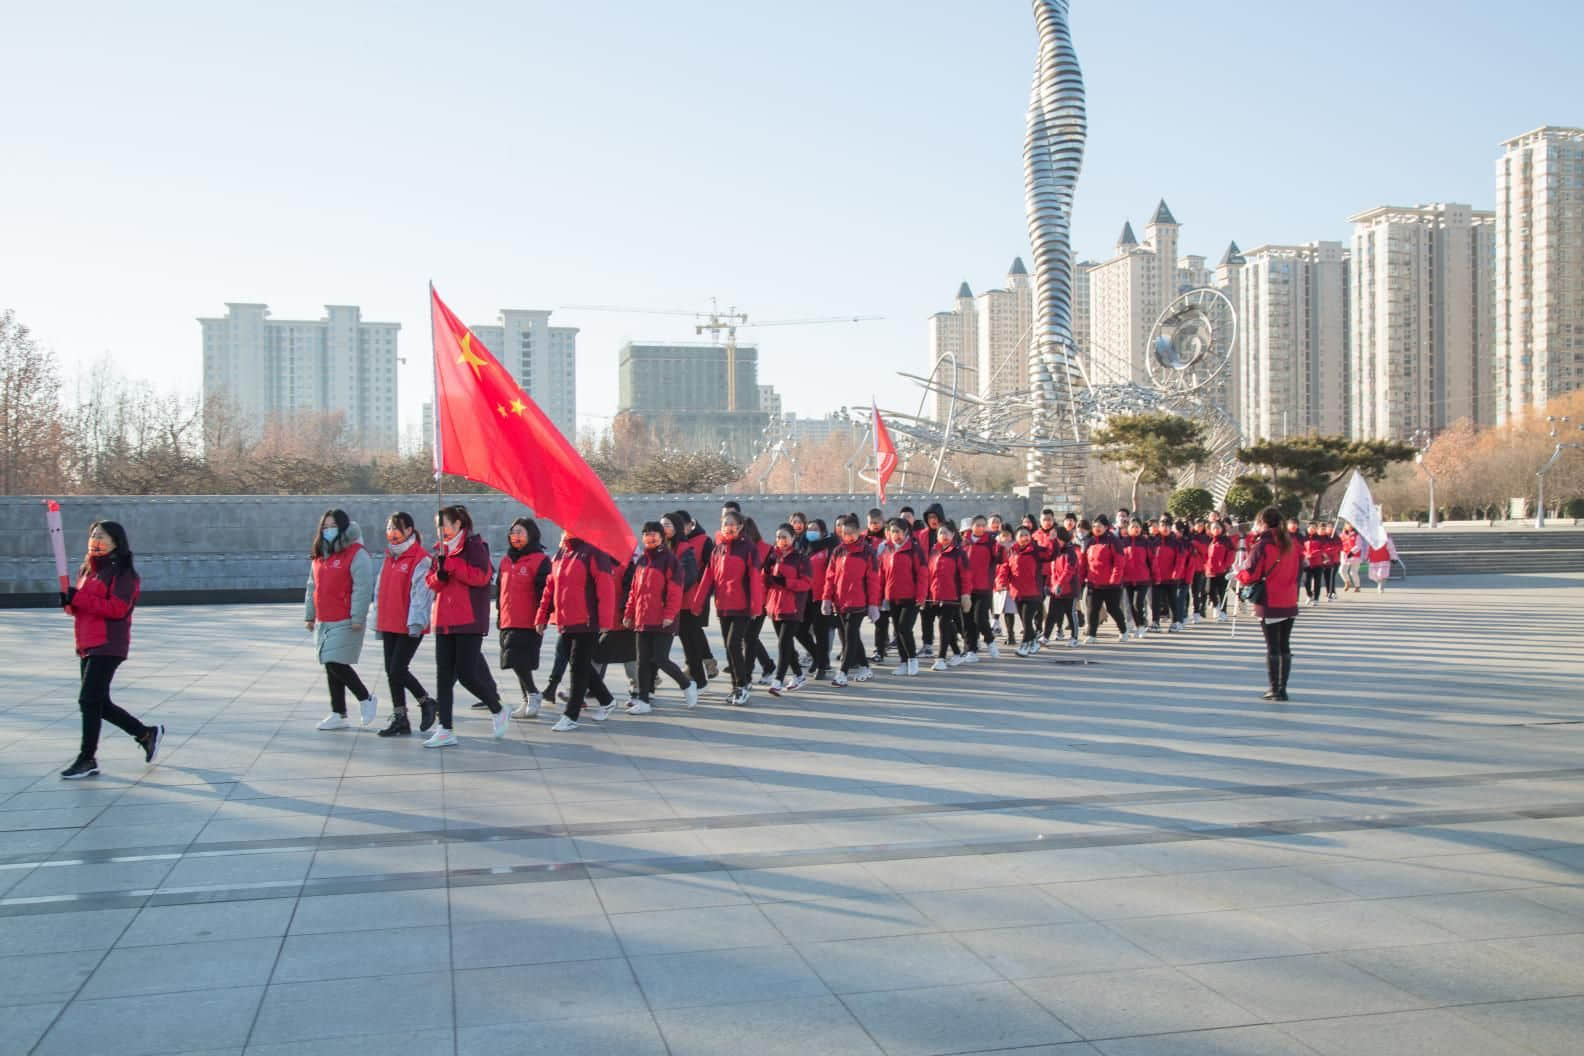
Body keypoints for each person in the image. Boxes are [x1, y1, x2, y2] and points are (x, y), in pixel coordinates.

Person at [59, 520, 162, 779]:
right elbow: (79, 609)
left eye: (102, 535)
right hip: (87, 642)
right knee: (98, 702)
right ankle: (146, 733)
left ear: (116, 541)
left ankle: (87, 758)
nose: (96, 539)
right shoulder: (88, 570)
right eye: (93, 534)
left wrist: (78, 598)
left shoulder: (123, 573)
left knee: (88, 700)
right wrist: (69, 602)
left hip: (108, 642)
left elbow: (118, 609)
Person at [424, 505, 507, 746]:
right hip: (444, 620)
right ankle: (445, 729)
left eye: (445, 525)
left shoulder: (475, 546)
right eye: (437, 526)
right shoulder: (440, 550)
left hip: (468, 619)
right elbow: (432, 583)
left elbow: (482, 577)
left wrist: (452, 566)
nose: (441, 531)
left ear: (459, 524)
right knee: (443, 676)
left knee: (467, 674)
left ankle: (497, 707)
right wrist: (438, 576)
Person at [535, 531, 618, 730]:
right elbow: (550, 587)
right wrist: (542, 616)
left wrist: (606, 621)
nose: (565, 529)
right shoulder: (562, 552)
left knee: (578, 668)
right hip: (565, 620)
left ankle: (571, 715)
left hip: (586, 621)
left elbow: (606, 588)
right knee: (578, 663)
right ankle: (606, 700)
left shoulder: (593, 553)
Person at [305, 509, 378, 731]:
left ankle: (366, 698)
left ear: (343, 527)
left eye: (332, 526)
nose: (328, 530)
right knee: (330, 663)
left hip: (346, 617)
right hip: (325, 617)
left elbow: (362, 587)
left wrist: (358, 616)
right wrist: (310, 615)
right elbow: (312, 586)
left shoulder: (356, 552)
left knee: (335, 661)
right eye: (324, 527)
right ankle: (338, 712)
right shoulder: (321, 554)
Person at [370, 512, 435, 737]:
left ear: (410, 530)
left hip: (409, 624)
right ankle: (400, 718)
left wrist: (416, 621)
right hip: (389, 622)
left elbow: (421, 593)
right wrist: (377, 618)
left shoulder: (420, 558)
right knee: (391, 671)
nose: (392, 532)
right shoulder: (390, 556)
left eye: (397, 528)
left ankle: (426, 701)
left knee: (398, 669)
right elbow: (380, 590)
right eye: (389, 528)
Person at [623, 521, 694, 713]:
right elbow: (633, 592)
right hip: (642, 618)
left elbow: (675, 591)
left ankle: (686, 684)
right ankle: (643, 701)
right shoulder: (642, 561)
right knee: (642, 661)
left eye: (654, 534)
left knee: (660, 659)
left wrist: (669, 614)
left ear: (662, 537)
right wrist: (629, 613)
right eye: (646, 534)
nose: (650, 537)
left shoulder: (670, 561)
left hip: (663, 618)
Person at [698, 510, 765, 705]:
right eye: (724, 523)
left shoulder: (748, 549)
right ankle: (736, 685)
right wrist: (698, 601)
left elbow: (754, 579)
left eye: (731, 523)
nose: (728, 526)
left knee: (733, 644)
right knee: (729, 649)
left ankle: (742, 685)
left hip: (742, 606)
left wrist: (755, 606)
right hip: (723, 605)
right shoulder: (718, 549)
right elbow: (708, 577)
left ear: (740, 526)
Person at [1237, 506, 1302, 701]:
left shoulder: (1263, 545)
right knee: (1284, 645)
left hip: (1270, 600)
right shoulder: (1290, 543)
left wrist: (1238, 574)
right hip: (1289, 598)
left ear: (1263, 522)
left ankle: (1275, 688)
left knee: (1272, 647)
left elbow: (1250, 574)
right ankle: (1282, 688)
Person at [492, 517, 551, 723]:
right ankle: (527, 697)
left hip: (528, 620)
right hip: (509, 618)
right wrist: (500, 614)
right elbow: (500, 589)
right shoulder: (506, 560)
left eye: (520, 532)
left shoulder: (540, 560)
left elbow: (545, 592)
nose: (515, 537)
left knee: (519, 660)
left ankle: (533, 693)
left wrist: (542, 617)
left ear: (531, 535)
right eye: (513, 532)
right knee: (516, 661)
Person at [822, 514, 881, 686]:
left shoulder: (867, 552)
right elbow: (830, 577)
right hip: (840, 602)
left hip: (859, 603)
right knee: (851, 636)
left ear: (857, 532)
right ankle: (864, 666)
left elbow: (873, 581)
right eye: (843, 533)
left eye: (850, 533)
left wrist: (873, 604)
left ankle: (843, 673)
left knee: (850, 635)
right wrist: (827, 598)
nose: (847, 536)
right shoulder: (838, 551)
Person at [763, 524, 814, 695]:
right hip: (775, 606)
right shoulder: (773, 556)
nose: (781, 541)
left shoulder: (800, 558)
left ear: (793, 538)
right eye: (778, 537)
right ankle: (799, 675)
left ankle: (778, 680)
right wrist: (766, 571)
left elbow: (807, 583)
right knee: (787, 645)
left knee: (783, 643)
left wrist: (787, 583)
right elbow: (764, 581)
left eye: (785, 537)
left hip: (793, 606)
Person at [879, 517, 926, 675]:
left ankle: (912, 659)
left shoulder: (914, 549)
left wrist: (921, 596)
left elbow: (922, 574)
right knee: (897, 630)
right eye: (893, 532)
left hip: (911, 597)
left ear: (906, 531)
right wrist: (880, 596)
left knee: (905, 628)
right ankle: (903, 662)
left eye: (898, 531)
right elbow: (882, 575)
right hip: (892, 597)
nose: (896, 535)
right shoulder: (887, 550)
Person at [925, 521, 971, 670]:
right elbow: (929, 575)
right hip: (934, 595)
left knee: (943, 624)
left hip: (952, 595)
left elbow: (965, 576)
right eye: (940, 533)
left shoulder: (958, 553)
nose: (943, 536)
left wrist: (965, 595)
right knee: (947, 625)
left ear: (953, 534)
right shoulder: (933, 552)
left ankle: (941, 658)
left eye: (946, 532)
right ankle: (957, 653)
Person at [797, 518, 837, 679]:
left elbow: (831, 573)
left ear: (823, 532)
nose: (811, 532)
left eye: (815, 529)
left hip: (822, 596)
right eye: (809, 529)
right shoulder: (805, 548)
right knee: (799, 630)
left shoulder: (829, 548)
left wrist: (830, 597)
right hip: (805, 596)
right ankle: (818, 656)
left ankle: (822, 666)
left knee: (821, 633)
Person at [996, 525, 1043, 655]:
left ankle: (1024, 646)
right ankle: (1033, 642)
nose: (1024, 537)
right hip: (1017, 592)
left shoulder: (1036, 551)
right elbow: (1005, 568)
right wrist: (1001, 583)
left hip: (1033, 592)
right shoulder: (1011, 551)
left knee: (1027, 620)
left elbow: (1051, 553)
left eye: (1027, 534)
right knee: (1024, 621)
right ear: (1016, 538)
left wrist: (1051, 539)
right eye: (1021, 535)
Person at [740, 518, 777, 684]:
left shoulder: (767, 550)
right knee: (748, 636)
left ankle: (747, 674)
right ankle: (767, 665)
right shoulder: (738, 549)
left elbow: (773, 577)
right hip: (741, 599)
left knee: (749, 636)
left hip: (760, 599)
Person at [1082, 515, 1128, 644]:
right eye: (1094, 526)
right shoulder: (1090, 541)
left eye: (1099, 526)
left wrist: (1114, 579)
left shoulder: (1113, 541)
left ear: (1106, 527)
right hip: (1093, 582)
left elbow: (1119, 562)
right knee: (1092, 609)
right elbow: (1084, 563)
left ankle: (1123, 630)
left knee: (1113, 609)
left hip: (1110, 584)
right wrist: (1081, 578)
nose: (1096, 528)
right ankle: (1092, 634)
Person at [962, 515, 999, 659]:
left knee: (980, 619)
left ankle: (990, 641)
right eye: (978, 525)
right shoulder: (964, 542)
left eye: (983, 525)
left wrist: (1001, 546)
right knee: (968, 620)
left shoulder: (990, 542)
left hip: (984, 588)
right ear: (972, 526)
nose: (981, 528)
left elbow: (1000, 558)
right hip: (966, 588)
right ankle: (971, 650)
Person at [1047, 526, 1084, 647]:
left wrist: (1060, 584)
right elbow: (1053, 571)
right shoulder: (1055, 552)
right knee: (1052, 614)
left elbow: (1069, 571)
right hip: (1056, 590)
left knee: (1071, 613)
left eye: (1055, 539)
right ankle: (1046, 636)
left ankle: (1074, 637)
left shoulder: (1071, 552)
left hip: (1069, 589)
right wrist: (1052, 585)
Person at [1120, 519, 1152, 638]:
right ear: (1128, 529)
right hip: (1127, 579)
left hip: (1142, 578)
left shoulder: (1145, 542)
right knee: (1131, 604)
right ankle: (1137, 625)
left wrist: (1153, 575)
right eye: (1133, 526)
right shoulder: (1123, 542)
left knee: (1138, 603)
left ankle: (1141, 626)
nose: (1136, 529)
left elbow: (1151, 560)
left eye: (1137, 526)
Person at [1205, 519, 1235, 620]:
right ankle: (1216, 606)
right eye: (1214, 528)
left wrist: (1226, 565)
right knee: (1209, 590)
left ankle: (1223, 611)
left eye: (1218, 527)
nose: (1216, 529)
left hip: (1222, 571)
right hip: (1210, 570)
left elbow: (1231, 553)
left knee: (1222, 592)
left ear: (1222, 529)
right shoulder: (1209, 540)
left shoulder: (1226, 541)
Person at [1302, 522, 1327, 607]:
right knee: (1305, 581)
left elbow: (1323, 549)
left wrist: (1313, 554)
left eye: (1314, 527)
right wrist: (1306, 554)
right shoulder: (1303, 538)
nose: (1312, 529)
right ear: (1307, 528)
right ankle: (1309, 595)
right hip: (1307, 563)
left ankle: (1316, 598)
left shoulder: (1320, 539)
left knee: (1317, 582)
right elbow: (1301, 549)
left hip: (1317, 563)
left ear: (1316, 529)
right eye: (1310, 527)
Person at [1339, 522, 1363, 592]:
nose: (1349, 526)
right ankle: (1347, 582)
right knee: (1342, 571)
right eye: (1347, 524)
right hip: (1345, 555)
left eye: (1351, 524)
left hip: (1354, 556)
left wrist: (1352, 552)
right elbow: (1339, 544)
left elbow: (1359, 545)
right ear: (1345, 526)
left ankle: (1357, 586)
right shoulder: (1342, 535)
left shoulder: (1356, 535)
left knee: (1353, 572)